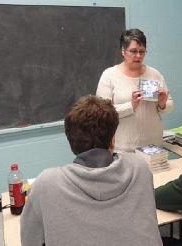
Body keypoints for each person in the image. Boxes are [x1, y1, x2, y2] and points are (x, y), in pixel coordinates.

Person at [20, 95, 162, 246]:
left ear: (70, 140)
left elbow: (30, 240)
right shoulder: (140, 167)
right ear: (113, 139)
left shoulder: (46, 184)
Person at [96, 28, 173, 153]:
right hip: (123, 148)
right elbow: (103, 113)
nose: (138, 56)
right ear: (123, 51)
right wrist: (130, 105)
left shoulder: (155, 74)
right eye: (133, 51)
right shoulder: (109, 75)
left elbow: (168, 107)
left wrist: (163, 104)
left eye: (142, 51)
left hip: (153, 146)